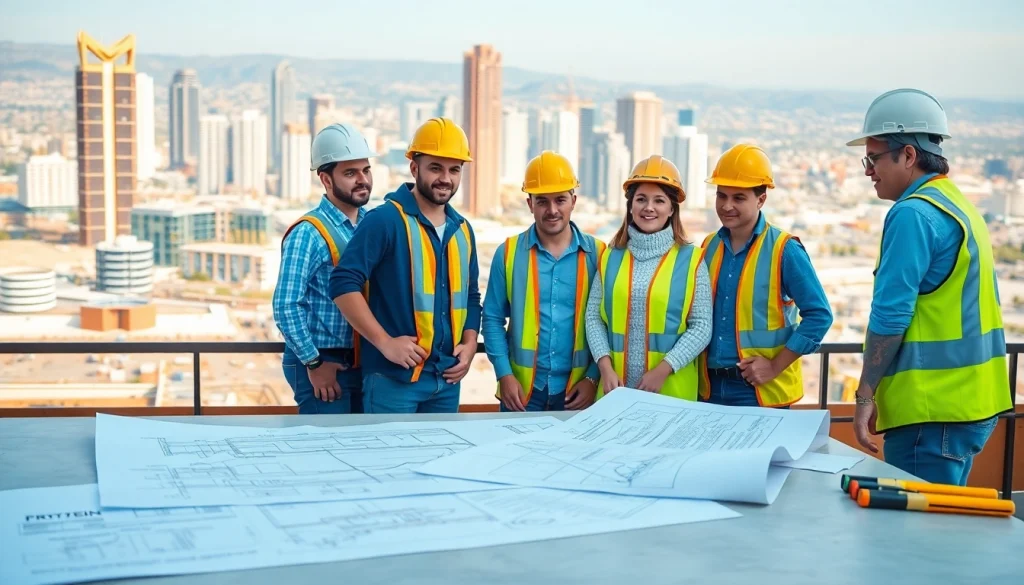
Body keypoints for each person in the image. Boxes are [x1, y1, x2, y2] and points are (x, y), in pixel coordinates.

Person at [846, 88, 1012, 485]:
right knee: (944, 519)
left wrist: (865, 394)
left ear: (908, 155)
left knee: (918, 524)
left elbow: (890, 316)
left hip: (930, 410)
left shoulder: (913, 215)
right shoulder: (957, 203)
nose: (868, 170)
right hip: (972, 403)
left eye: (873, 158)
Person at [329, 117, 481, 414]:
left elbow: (471, 296)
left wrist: (471, 343)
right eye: (435, 168)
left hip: (447, 381)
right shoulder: (385, 220)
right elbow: (343, 284)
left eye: (454, 169)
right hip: (393, 381)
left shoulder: (463, 230)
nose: (445, 178)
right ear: (414, 168)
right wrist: (385, 342)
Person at [696, 144, 834, 408]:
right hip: (709, 388)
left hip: (759, 390)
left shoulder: (785, 249)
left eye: (738, 198)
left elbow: (820, 316)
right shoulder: (708, 246)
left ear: (761, 200)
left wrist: (774, 366)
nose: (726, 206)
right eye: (721, 196)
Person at [482, 151, 605, 412]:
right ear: (530, 204)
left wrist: (593, 378)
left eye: (560, 200)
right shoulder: (508, 254)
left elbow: (608, 323)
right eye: (542, 201)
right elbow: (492, 318)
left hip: (578, 392)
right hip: (522, 393)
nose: (552, 210)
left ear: (573, 201)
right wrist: (504, 374)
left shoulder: (599, 255)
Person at [585, 155, 713, 400]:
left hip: (671, 393)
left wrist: (663, 370)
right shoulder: (610, 257)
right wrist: (605, 367)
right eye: (641, 199)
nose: (649, 207)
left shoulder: (693, 260)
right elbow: (593, 318)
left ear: (672, 208)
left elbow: (702, 327)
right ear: (630, 206)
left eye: (659, 200)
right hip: (615, 392)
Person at [272, 123, 377, 414]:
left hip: (359, 359)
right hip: (321, 361)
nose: (362, 180)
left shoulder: (369, 224)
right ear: (326, 180)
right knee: (325, 439)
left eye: (366, 170)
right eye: (350, 173)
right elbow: (285, 305)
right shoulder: (308, 232)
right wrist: (314, 363)